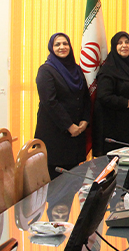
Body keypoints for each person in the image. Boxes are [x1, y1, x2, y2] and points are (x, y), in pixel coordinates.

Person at [35, 33, 91, 179]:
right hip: (55, 136)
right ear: (51, 48)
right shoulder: (46, 70)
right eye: (57, 44)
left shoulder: (76, 69)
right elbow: (49, 102)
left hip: (76, 135)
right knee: (57, 185)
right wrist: (69, 126)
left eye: (65, 44)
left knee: (74, 181)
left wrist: (85, 121)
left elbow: (85, 97)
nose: (62, 47)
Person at [94, 31, 129, 156]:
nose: (124, 45)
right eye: (119, 43)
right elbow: (104, 97)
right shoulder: (108, 69)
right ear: (114, 47)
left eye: (127, 42)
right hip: (114, 129)